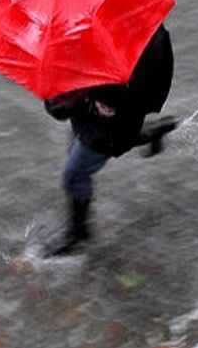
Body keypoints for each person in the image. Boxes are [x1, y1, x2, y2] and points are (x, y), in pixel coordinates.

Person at [41, 24, 177, 257]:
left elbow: (131, 102)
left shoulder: (138, 51)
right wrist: (60, 99)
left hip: (112, 125)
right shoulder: (83, 30)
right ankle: (152, 132)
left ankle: (77, 232)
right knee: (76, 150)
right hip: (90, 117)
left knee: (73, 176)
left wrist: (89, 91)